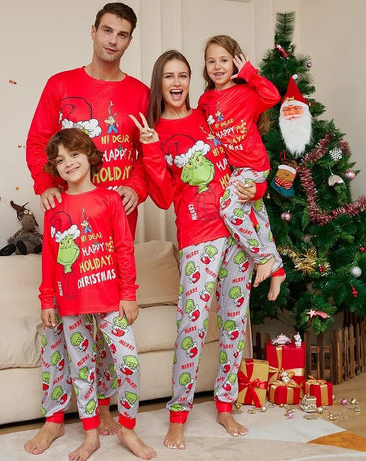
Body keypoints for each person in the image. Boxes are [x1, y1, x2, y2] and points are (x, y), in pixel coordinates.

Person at [24, 2, 149, 455]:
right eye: (107, 31)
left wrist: (138, 186)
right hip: (69, 220)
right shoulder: (61, 84)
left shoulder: (139, 93)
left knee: (108, 322)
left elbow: (146, 150)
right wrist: (44, 183)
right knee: (63, 326)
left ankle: (106, 409)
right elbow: (39, 141)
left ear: (129, 41)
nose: (113, 40)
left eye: (122, 34)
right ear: (94, 31)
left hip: (114, 221)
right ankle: (55, 418)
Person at [130, 50, 264, 450]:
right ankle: (178, 414)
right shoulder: (153, 130)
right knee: (192, 324)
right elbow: (164, 197)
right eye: (169, 75)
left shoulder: (209, 114)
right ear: (160, 82)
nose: (177, 82)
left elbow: (242, 156)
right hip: (198, 234)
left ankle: (225, 406)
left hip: (238, 230)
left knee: (234, 321)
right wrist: (152, 149)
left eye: (184, 75)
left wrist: (255, 188)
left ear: (191, 80)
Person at [38, 127, 156, 460]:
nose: (68, 163)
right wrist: (47, 299)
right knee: (82, 371)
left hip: (110, 301)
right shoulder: (54, 206)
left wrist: (128, 293)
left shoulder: (110, 199)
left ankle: (128, 430)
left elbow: (123, 247)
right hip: (71, 302)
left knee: (129, 363)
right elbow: (50, 257)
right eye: (60, 160)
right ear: (55, 168)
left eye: (74, 154)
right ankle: (91, 436)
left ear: (90, 157)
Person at [198, 35, 286, 301]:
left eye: (224, 60)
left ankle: (262, 258)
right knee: (258, 218)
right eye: (211, 61)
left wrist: (250, 74)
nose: (217, 66)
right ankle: (278, 269)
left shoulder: (246, 92)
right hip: (236, 171)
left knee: (229, 207)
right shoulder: (205, 100)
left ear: (235, 62)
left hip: (254, 165)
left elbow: (273, 96)